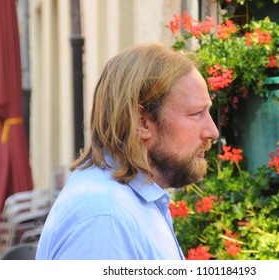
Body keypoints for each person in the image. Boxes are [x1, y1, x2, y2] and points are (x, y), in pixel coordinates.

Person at [36, 43, 219, 260]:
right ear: (142, 123)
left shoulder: (131, 201)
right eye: (196, 113)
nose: (212, 131)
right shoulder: (105, 219)